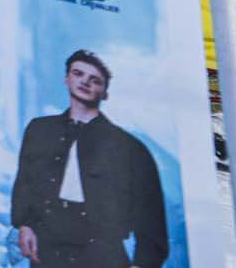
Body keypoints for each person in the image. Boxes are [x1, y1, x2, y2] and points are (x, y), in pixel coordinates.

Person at [11, 51, 171, 266]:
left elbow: (151, 218)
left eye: (95, 80)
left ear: (105, 93)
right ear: (66, 79)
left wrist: (142, 265)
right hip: (47, 246)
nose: (85, 82)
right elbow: (25, 182)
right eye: (78, 73)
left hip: (101, 252)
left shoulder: (129, 147)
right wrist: (25, 225)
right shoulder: (39, 129)